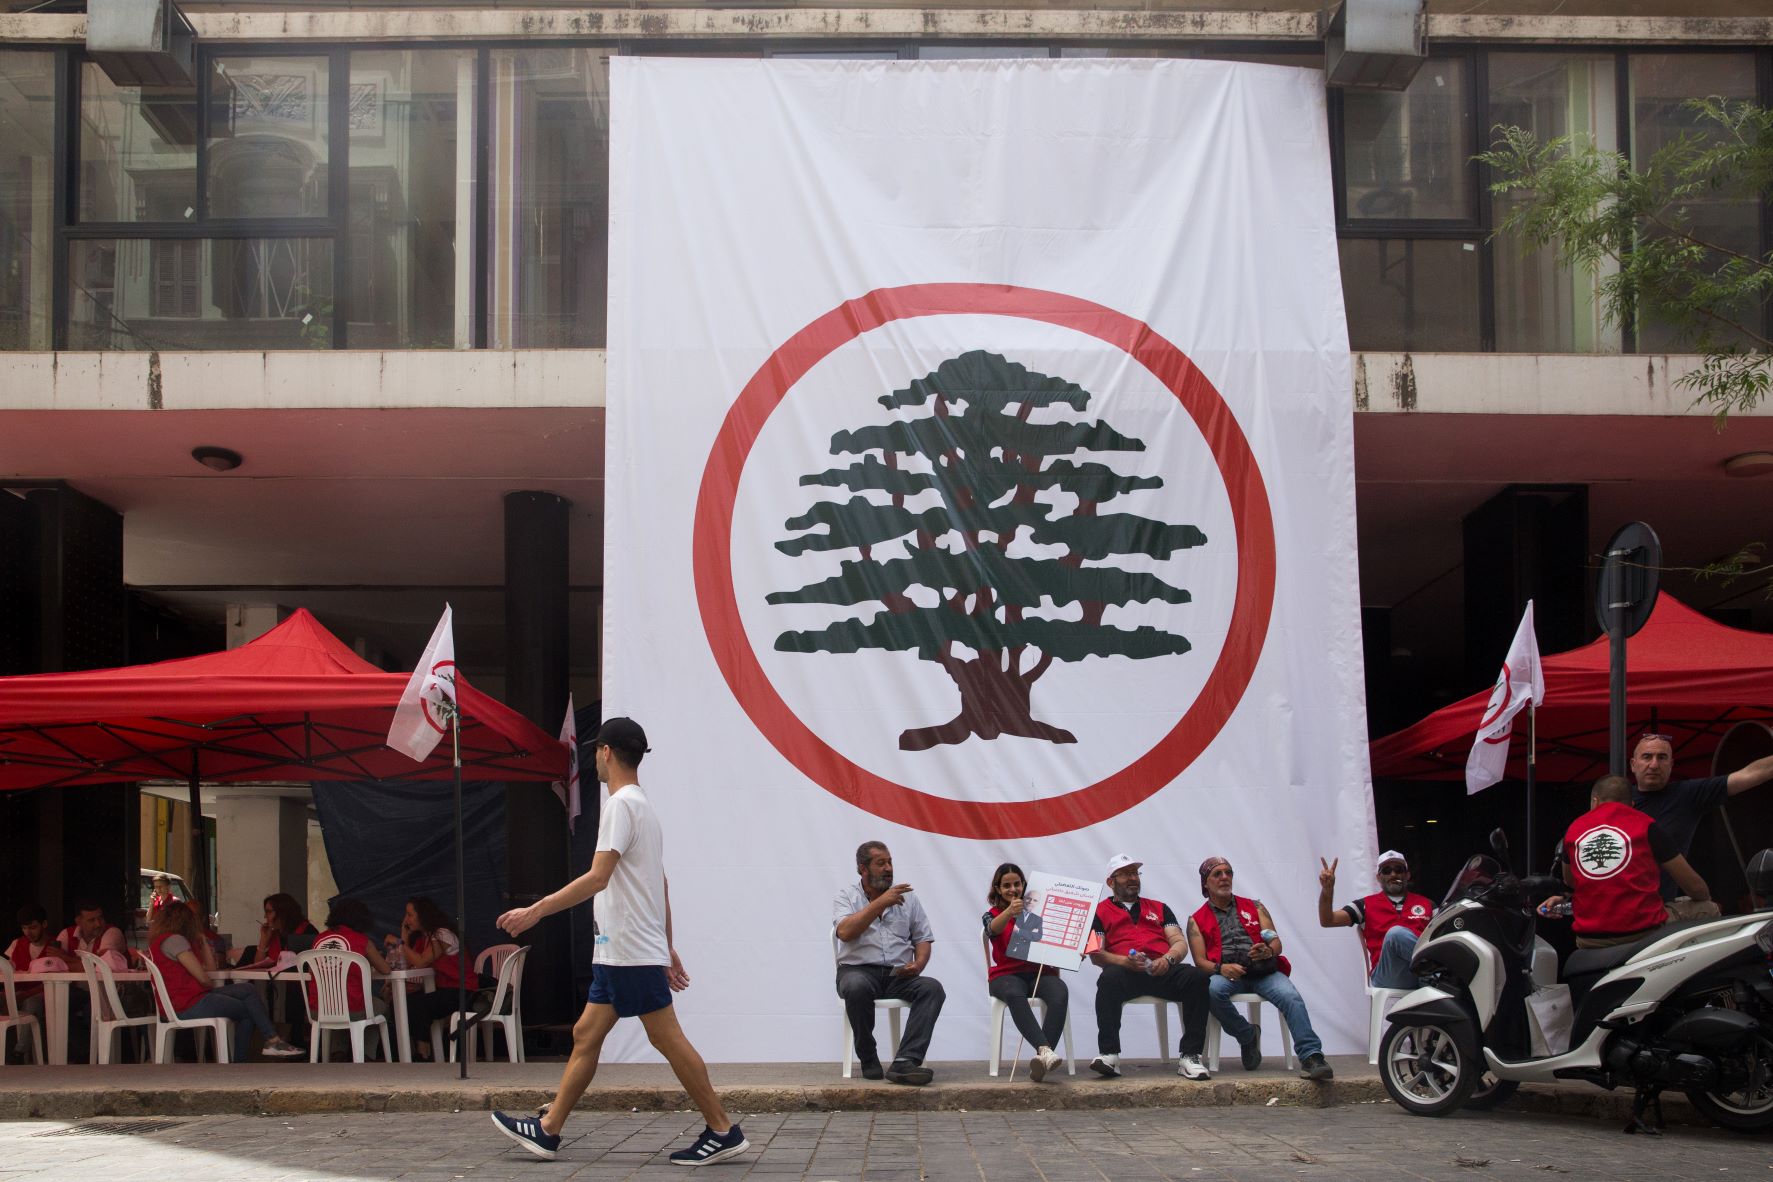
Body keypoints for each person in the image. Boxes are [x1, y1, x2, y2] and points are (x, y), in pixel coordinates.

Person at [490, 717, 748, 1167]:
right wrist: (666, 945)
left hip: (627, 949)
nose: (595, 758)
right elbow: (659, 882)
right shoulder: (641, 806)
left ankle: (723, 1128)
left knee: (667, 1039)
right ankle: (548, 1130)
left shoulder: (621, 806)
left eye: (595, 752)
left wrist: (536, 911)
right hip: (620, 948)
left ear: (605, 752)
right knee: (585, 1034)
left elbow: (598, 877)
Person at [1188, 855, 1334, 1081]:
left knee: (1291, 996)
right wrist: (1221, 969)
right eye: (1217, 874)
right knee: (1212, 991)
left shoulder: (1255, 907)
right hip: (1229, 975)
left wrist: (1269, 951)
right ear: (1206, 883)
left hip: (1263, 971)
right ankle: (1247, 1036)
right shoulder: (1196, 919)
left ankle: (1312, 1056)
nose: (1225, 877)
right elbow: (1199, 961)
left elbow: (1275, 942)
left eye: (1228, 873)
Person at [1086, 854, 1211, 1081]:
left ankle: (1190, 1055)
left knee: (1197, 977)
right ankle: (1109, 1054)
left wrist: (1168, 959)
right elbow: (1096, 954)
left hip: (1161, 968)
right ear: (1111, 882)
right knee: (1108, 979)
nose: (1132, 878)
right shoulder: (1098, 912)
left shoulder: (1160, 908)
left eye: (1135, 873)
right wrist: (1124, 961)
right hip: (1125, 971)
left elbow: (1179, 943)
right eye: (1125, 874)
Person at [833, 840, 946, 1086]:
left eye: (890, 862)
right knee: (856, 987)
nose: (888, 868)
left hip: (898, 975)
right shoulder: (847, 897)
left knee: (932, 988)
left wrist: (918, 965)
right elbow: (845, 932)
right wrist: (880, 903)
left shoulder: (909, 898)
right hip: (857, 971)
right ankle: (868, 1055)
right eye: (880, 863)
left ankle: (906, 1061)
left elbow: (923, 938)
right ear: (863, 868)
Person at [1563, 774, 1713, 949]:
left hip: (1588, 939)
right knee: (1707, 907)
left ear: (1595, 801)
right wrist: (1703, 896)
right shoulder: (1646, 825)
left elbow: (1570, 881)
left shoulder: (1574, 829)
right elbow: (1695, 887)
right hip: (1644, 932)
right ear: (1632, 805)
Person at [1630, 732, 1773, 909]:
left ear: (1671, 764)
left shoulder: (1686, 794)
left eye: (1662, 757)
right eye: (1647, 757)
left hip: (1666, 910)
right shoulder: (1617, 798)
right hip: (1620, 905)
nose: (1654, 764)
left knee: (1708, 910)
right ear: (1633, 764)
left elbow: (1750, 774)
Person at [146, 900, 303, 1061]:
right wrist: (205, 980)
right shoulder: (176, 940)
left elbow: (212, 969)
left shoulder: (160, 941)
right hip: (189, 1003)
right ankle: (250, 1055)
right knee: (248, 1011)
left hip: (184, 1001)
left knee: (247, 989)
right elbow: (205, 979)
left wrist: (203, 940)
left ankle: (272, 1041)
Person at [982, 862, 1067, 1082]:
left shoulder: (1038, 914)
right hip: (1005, 976)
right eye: (1006, 885)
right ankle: (1046, 1051)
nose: (1012, 889)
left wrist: (1072, 951)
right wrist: (1010, 912)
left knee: (1059, 991)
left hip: (1038, 973)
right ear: (998, 889)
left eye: (1017, 884)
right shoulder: (990, 914)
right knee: (1014, 994)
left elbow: (1054, 941)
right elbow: (992, 930)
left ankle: (1041, 1058)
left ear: (1023, 885)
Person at [1315, 850, 1435, 989]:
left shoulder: (1428, 904)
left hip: (1417, 976)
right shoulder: (1365, 905)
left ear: (1407, 875)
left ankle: (1433, 974)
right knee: (1395, 934)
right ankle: (1435, 971)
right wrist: (1327, 890)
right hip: (1387, 976)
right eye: (1387, 870)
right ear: (1378, 877)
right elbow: (1327, 920)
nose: (1393, 874)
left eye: (1398, 869)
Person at [386, 895, 471, 1061]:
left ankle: (423, 1052)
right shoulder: (423, 940)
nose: (406, 919)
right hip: (439, 989)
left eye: (410, 915)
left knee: (418, 1004)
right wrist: (404, 935)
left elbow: (421, 961)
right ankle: (407, 1053)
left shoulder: (442, 935)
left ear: (423, 915)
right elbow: (407, 964)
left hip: (459, 990)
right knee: (400, 1001)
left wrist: (399, 942)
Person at [307, 897, 393, 1024]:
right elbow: (386, 969)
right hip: (352, 1009)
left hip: (318, 1009)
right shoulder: (362, 940)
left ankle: (340, 1044)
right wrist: (367, 960)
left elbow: (312, 970)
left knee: (341, 1020)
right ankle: (363, 1045)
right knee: (381, 1009)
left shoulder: (318, 939)